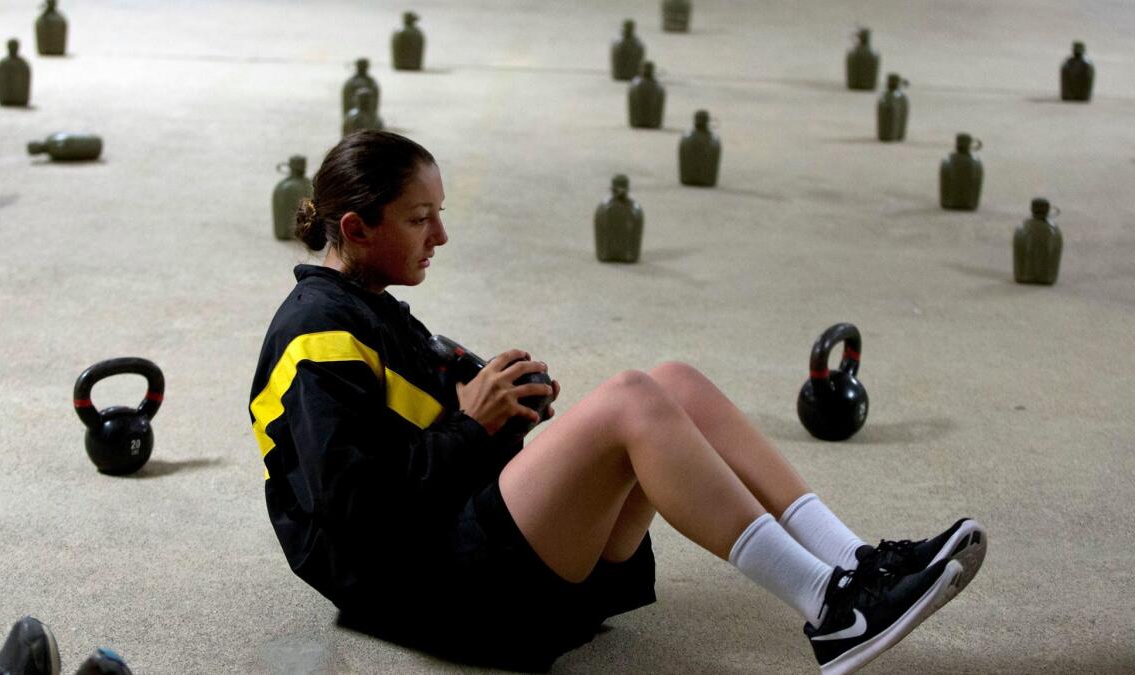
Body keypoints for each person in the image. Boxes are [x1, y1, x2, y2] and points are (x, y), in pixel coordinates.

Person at [248, 130, 987, 674]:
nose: (441, 233)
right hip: (422, 587)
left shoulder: (369, 308)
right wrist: (475, 424)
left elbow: (448, 441)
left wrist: (507, 410)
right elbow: (354, 510)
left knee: (672, 381)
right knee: (633, 399)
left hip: (461, 549)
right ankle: (831, 608)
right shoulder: (317, 335)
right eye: (419, 218)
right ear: (355, 227)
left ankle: (856, 565)